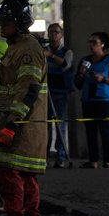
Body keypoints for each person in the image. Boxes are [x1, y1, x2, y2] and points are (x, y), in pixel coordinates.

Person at [0, 0, 48, 216]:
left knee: (13, 176)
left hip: (21, 126)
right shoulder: (17, 47)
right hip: (16, 123)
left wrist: (11, 124)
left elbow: (28, 90)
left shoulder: (28, 50)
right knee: (20, 176)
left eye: (6, 21)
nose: (1, 26)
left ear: (20, 23)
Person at [75, 31, 109, 167]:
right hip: (88, 100)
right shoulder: (85, 61)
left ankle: (108, 160)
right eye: (90, 42)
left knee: (105, 130)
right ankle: (93, 160)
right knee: (90, 131)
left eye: (94, 42)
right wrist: (81, 74)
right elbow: (77, 84)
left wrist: (103, 79)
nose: (91, 45)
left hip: (104, 100)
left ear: (102, 44)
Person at [44, 22, 74, 168]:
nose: (54, 35)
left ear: (61, 35)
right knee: (45, 126)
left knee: (60, 125)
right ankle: (44, 155)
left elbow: (65, 65)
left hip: (61, 94)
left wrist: (51, 56)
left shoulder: (67, 52)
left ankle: (60, 156)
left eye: (56, 32)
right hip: (46, 93)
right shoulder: (43, 50)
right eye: (51, 32)